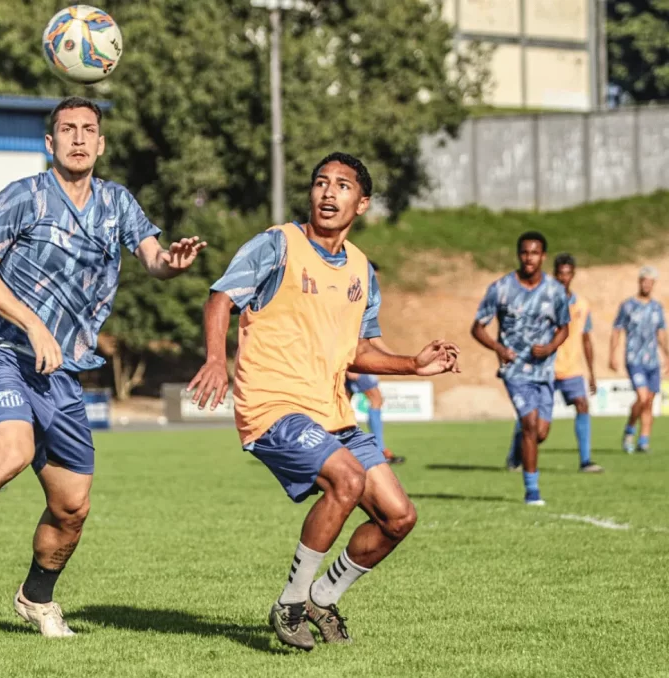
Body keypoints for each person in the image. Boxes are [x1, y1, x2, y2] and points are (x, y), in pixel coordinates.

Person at [0, 97, 206, 637]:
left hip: (62, 377)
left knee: (72, 506)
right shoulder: (25, 196)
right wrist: (33, 324)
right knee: (12, 451)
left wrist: (169, 265)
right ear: (49, 142)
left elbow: (151, 257)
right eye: (67, 129)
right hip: (6, 358)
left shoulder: (117, 202)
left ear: (101, 143)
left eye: (88, 130)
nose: (79, 138)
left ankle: (37, 598)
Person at [188, 152, 459, 650]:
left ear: (363, 203)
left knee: (399, 517)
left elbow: (359, 350)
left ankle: (324, 596)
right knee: (348, 480)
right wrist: (214, 359)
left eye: (342, 186)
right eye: (320, 183)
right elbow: (221, 298)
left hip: (332, 412)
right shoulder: (278, 245)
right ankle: (291, 602)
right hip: (273, 405)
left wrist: (414, 365)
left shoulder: (361, 269)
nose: (329, 193)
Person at [471, 232, 570, 506]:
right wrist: (499, 349)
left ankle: (517, 453)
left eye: (535, 253)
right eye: (525, 253)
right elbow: (477, 327)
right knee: (529, 425)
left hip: (545, 371)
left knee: (540, 433)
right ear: (518, 255)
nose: (529, 258)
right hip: (514, 370)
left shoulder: (555, 291)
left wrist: (550, 348)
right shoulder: (501, 288)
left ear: (543, 256)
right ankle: (532, 491)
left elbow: (564, 328)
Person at [345, 263, 405, 465]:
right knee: (376, 399)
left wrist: (395, 357)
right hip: (355, 361)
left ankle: (343, 450)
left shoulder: (361, 299)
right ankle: (379, 449)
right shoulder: (354, 299)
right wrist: (347, 365)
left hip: (353, 359)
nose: (376, 281)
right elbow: (345, 333)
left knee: (342, 405)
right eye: (374, 277)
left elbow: (371, 336)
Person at [549, 253, 602, 473]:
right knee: (532, 416)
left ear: (573, 275)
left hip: (572, 369)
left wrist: (591, 373)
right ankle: (515, 456)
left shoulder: (581, 304)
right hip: (546, 368)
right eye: (560, 274)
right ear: (554, 275)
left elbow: (586, 339)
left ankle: (585, 460)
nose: (563, 278)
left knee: (582, 405)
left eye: (567, 274)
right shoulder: (544, 301)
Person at [609, 266, 669, 453]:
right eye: (644, 281)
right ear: (639, 282)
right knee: (642, 398)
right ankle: (629, 430)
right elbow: (617, 330)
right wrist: (612, 354)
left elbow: (661, 332)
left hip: (652, 360)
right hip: (634, 358)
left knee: (650, 401)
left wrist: (667, 355)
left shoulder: (657, 307)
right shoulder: (627, 306)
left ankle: (644, 441)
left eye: (651, 282)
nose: (647, 285)